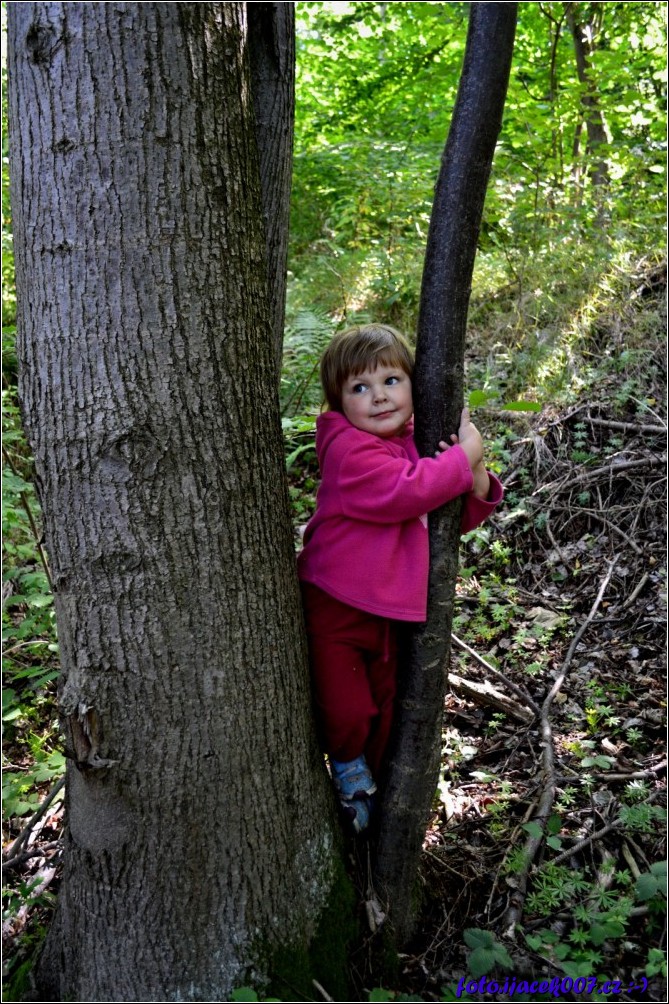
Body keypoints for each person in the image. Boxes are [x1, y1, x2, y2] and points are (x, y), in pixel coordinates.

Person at [297, 323, 503, 833]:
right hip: (338, 604)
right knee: (346, 709)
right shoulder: (349, 450)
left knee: (386, 710)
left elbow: (442, 517)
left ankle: (375, 791)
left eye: (391, 380)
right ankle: (347, 772)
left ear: (415, 385)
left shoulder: (412, 443)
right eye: (359, 388)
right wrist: (463, 457)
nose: (379, 397)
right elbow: (405, 494)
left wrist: (473, 475)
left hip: (388, 612)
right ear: (339, 404)